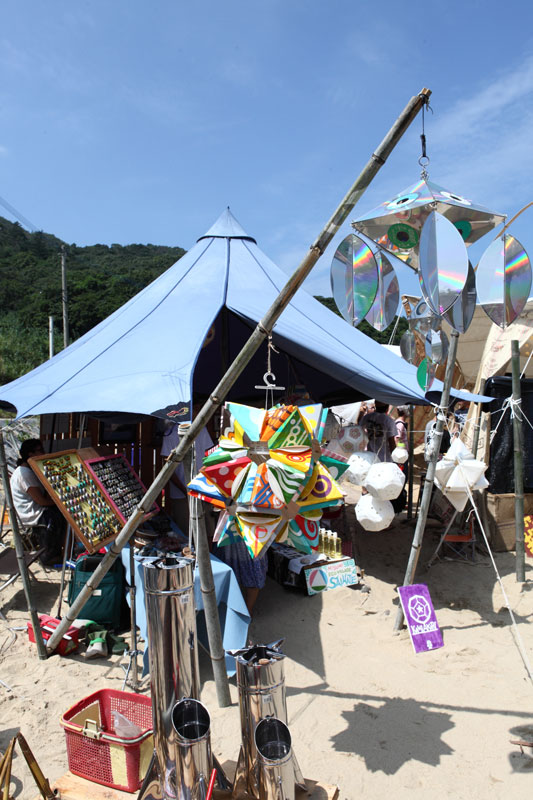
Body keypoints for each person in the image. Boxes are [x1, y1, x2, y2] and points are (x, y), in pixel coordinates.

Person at [10, 439, 65, 565]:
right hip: (31, 514)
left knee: (60, 511)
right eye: (40, 450)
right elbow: (42, 501)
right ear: (31, 454)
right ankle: (50, 555)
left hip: (35, 510)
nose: (43, 453)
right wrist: (60, 502)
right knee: (58, 515)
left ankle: (60, 551)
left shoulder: (28, 471)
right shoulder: (25, 473)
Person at [160, 419, 214, 536]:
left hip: (203, 490)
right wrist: (185, 490)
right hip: (181, 494)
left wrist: (204, 483)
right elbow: (167, 468)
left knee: (208, 530)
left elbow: (210, 457)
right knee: (186, 532)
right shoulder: (170, 433)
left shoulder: (202, 429)